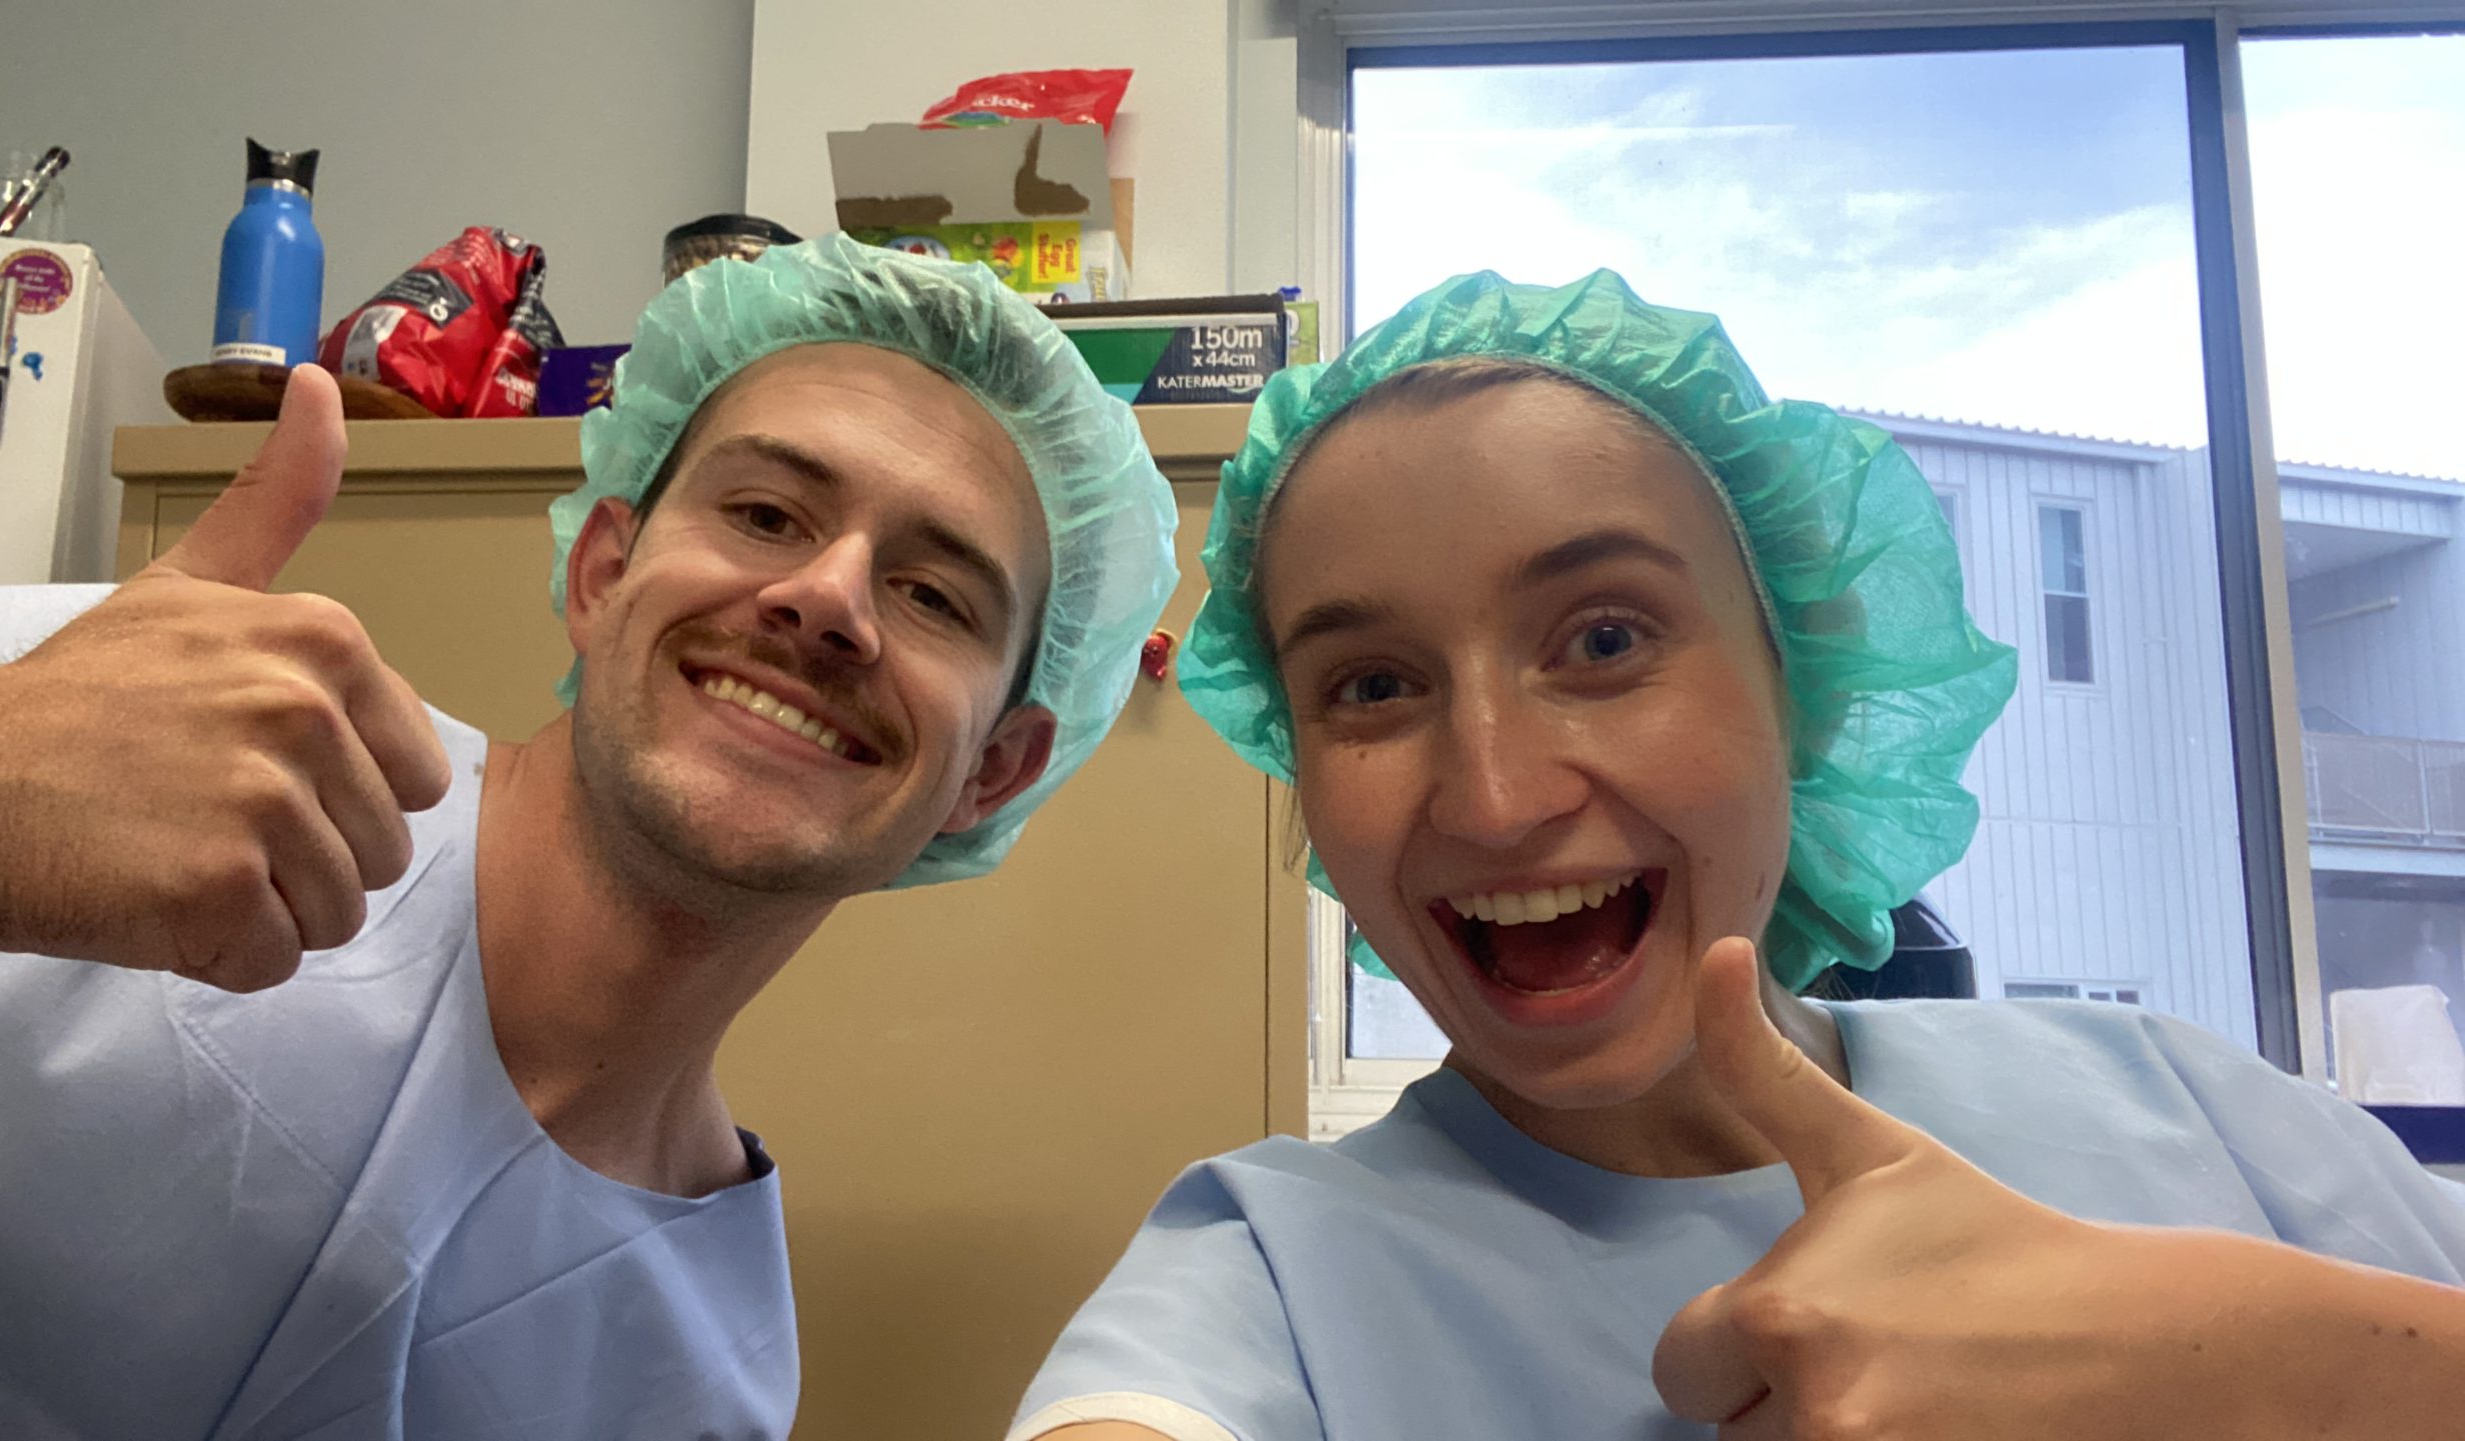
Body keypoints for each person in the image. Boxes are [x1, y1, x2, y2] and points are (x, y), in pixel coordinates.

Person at [1009, 270, 2465, 1441]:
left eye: (1603, 639)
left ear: (1801, 682)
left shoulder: (2184, 1103)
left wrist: (2302, 1377)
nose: (1496, 798)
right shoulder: (1262, 1275)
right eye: (1373, 685)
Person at [0, 234, 1177, 1439]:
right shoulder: (135, 719)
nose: (828, 598)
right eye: (765, 514)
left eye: (934, 595)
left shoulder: (708, 1369)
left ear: (993, 770)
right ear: (602, 573)